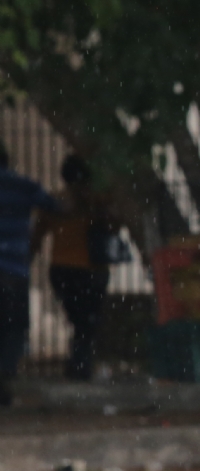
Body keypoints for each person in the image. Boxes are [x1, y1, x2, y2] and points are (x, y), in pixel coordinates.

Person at [37, 156, 112, 381]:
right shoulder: (97, 202)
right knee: (87, 321)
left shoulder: (55, 201)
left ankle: (79, 363)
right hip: (91, 270)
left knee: (80, 319)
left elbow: (38, 233)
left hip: (63, 269)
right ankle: (80, 364)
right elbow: (114, 225)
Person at [0, 139, 58, 407]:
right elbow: (56, 208)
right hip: (13, 269)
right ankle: (5, 381)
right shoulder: (25, 186)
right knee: (12, 328)